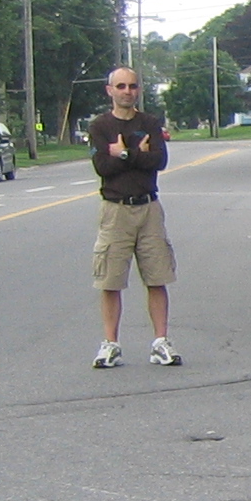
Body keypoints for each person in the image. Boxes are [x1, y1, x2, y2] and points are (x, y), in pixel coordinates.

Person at [86, 66, 178, 367]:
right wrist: (136, 154)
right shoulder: (100, 126)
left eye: (133, 86)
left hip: (149, 208)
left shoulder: (149, 123)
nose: (127, 91)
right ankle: (110, 344)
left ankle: (161, 342)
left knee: (157, 277)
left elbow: (159, 160)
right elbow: (103, 167)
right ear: (110, 90)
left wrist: (123, 153)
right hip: (115, 210)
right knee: (110, 280)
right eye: (121, 86)